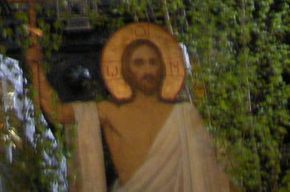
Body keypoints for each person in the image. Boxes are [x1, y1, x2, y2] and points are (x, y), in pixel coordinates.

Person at [31, 29, 232, 192]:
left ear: (163, 68)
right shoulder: (111, 111)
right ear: (125, 70)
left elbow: (211, 171)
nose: (147, 70)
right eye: (138, 63)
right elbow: (58, 113)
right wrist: (35, 67)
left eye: (153, 62)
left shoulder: (184, 114)